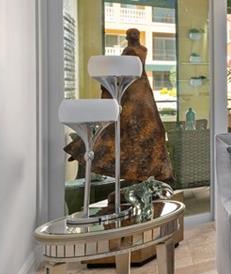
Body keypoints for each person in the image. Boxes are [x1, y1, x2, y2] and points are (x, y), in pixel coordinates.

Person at [64, 28, 174, 183]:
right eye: (131, 35)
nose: (133, 37)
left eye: (135, 34)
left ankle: (147, 171)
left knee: (149, 130)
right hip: (129, 91)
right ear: (128, 37)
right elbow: (119, 72)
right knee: (121, 129)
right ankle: (129, 171)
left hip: (140, 91)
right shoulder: (127, 51)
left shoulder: (141, 49)